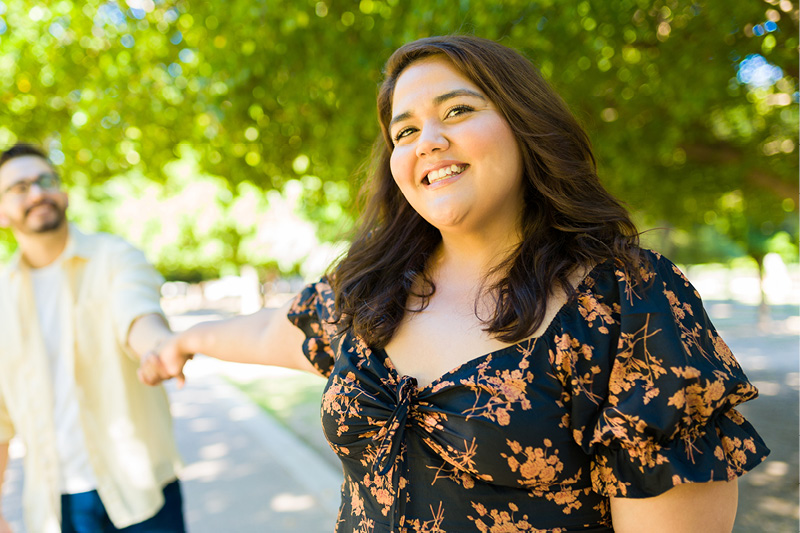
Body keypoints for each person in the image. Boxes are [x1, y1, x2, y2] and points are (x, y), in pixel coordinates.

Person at [139, 35, 769, 532]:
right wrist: (181, 342)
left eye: (458, 111)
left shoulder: (629, 301)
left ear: (524, 123)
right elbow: (265, 333)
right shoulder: (370, 288)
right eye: (405, 130)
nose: (428, 141)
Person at [0, 144, 185, 533]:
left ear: (64, 193)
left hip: (143, 487)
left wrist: (157, 347)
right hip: (55, 504)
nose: (37, 193)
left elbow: (136, 312)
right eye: (19, 188)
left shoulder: (114, 255)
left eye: (45, 180)